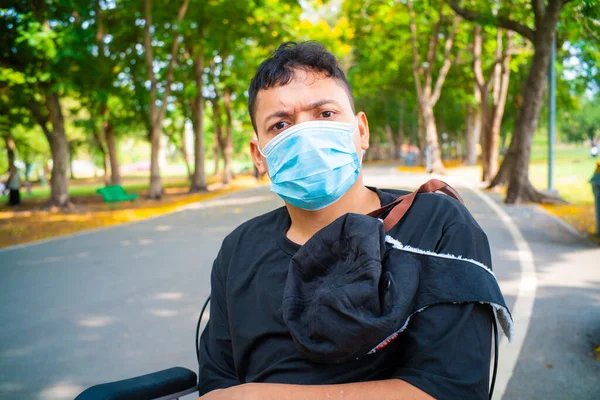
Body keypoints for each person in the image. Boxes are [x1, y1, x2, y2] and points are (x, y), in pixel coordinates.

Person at [197, 42, 503, 400]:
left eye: (325, 114)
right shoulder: (239, 249)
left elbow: (451, 389)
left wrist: (254, 396)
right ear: (259, 156)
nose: (305, 136)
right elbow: (217, 385)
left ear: (361, 132)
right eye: (280, 124)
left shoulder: (436, 224)